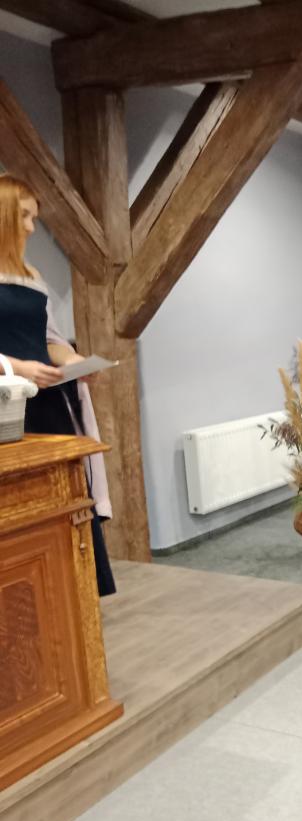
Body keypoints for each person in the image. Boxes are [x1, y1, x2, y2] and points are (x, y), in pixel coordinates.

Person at [0, 173, 115, 595]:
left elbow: (50, 340)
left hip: (49, 403)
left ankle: (73, 601)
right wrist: (17, 368)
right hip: (8, 408)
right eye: (24, 216)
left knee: (65, 503)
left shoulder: (32, 274)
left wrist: (74, 361)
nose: (32, 227)